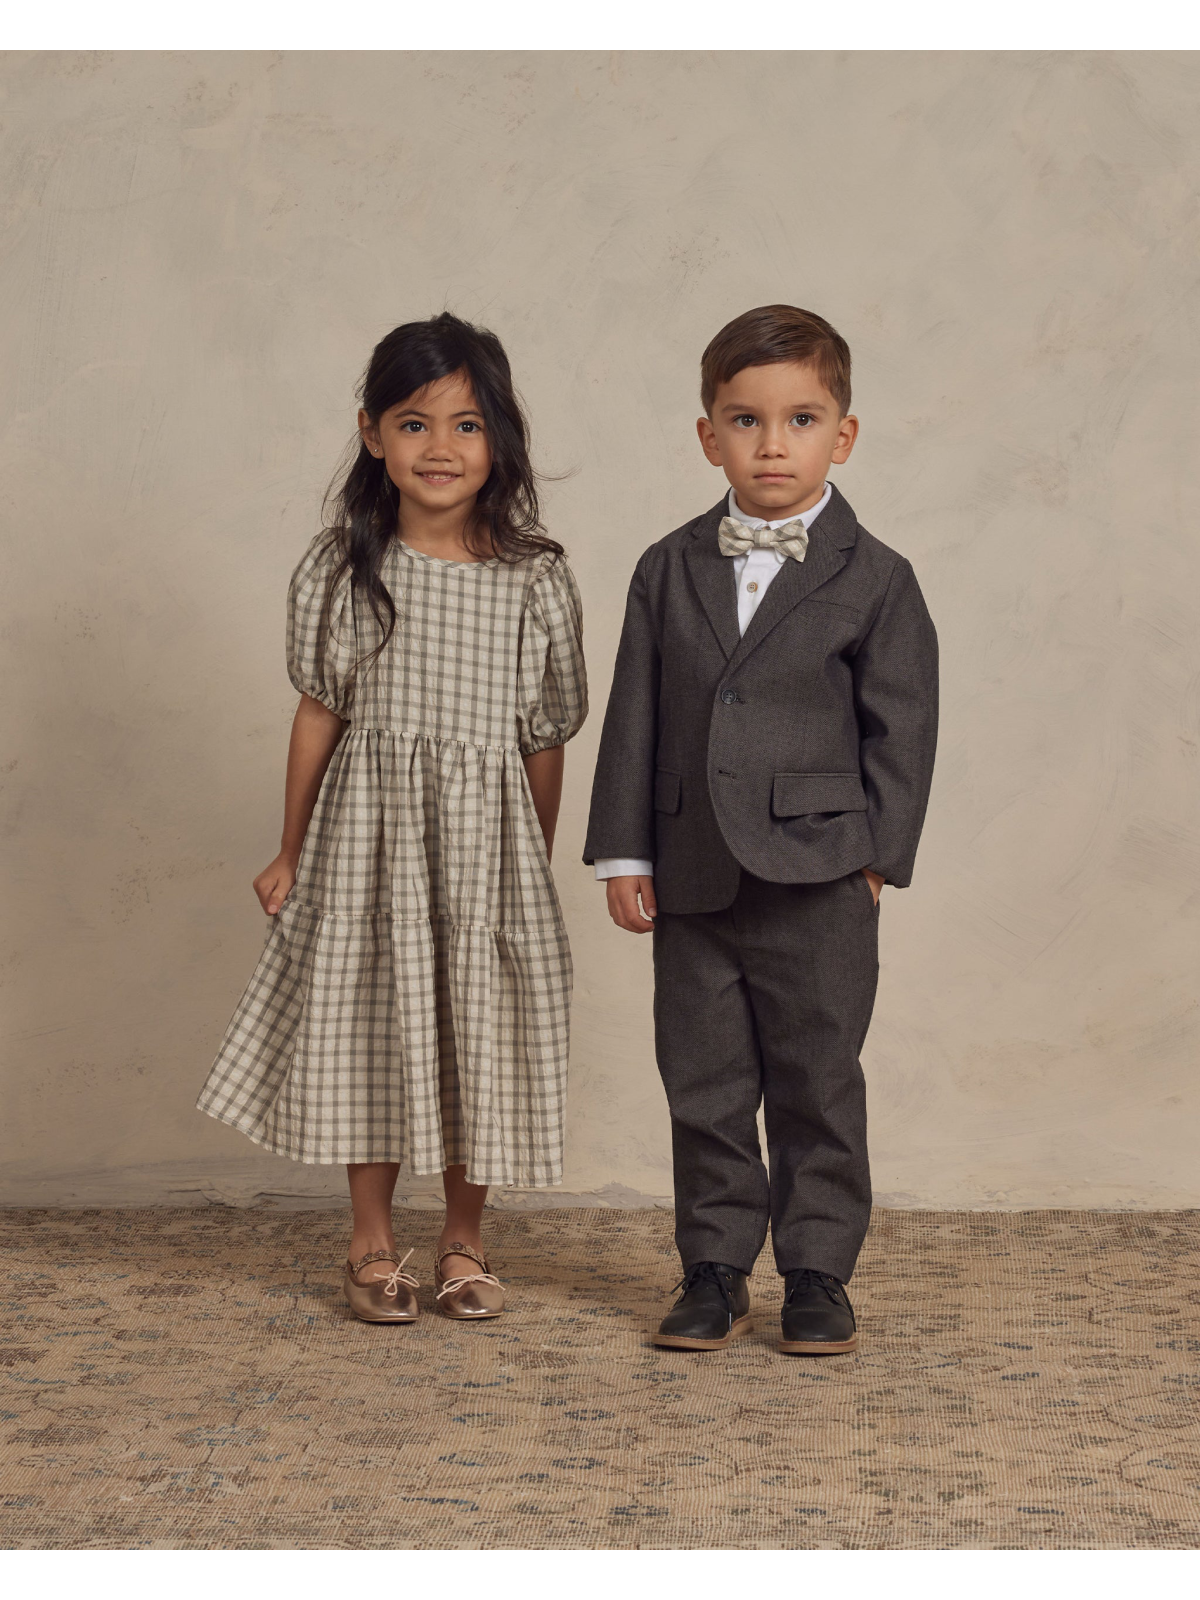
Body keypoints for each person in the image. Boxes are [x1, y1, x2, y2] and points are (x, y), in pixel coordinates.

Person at [198, 312, 587, 1325]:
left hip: (486, 850)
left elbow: (544, 736)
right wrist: (289, 849)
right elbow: (319, 712)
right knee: (371, 1019)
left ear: (498, 438)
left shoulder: (534, 576)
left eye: (466, 424)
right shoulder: (345, 567)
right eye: (415, 423)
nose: (440, 447)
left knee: (476, 1028)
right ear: (373, 434)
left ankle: (465, 1238)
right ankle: (370, 1240)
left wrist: (532, 863)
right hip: (369, 846)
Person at [584, 305, 937, 1354]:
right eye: (745, 420)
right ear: (709, 436)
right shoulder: (667, 566)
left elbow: (904, 727)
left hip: (822, 872)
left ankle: (819, 1272)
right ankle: (716, 1268)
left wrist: (877, 860)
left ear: (844, 435)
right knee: (703, 1082)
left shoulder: (878, 577)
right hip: (692, 871)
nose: (772, 444)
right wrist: (625, 850)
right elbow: (634, 712)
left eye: (800, 419)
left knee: (817, 1080)